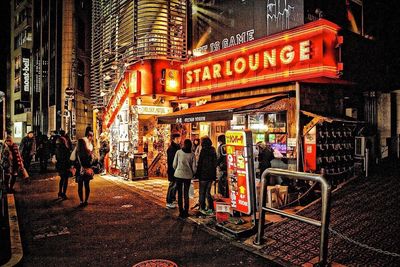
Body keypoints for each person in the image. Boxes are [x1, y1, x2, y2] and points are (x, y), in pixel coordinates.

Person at [173, 139, 196, 218]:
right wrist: (192, 173)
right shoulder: (192, 154)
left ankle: (180, 211)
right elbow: (194, 168)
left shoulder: (178, 152)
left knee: (179, 194)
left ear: (184, 144)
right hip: (187, 176)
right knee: (186, 194)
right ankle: (186, 212)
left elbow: (174, 164)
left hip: (178, 175)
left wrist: (178, 170)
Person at [71, 134, 94, 207]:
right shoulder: (88, 152)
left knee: (80, 187)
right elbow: (91, 162)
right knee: (87, 186)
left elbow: (73, 161)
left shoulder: (77, 153)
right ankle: (86, 200)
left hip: (79, 171)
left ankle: (81, 201)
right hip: (87, 171)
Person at [196, 136, 217, 215]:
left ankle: (202, 207)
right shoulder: (213, 150)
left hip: (203, 175)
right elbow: (215, 163)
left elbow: (200, 163)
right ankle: (211, 208)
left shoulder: (203, 150)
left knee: (202, 192)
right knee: (208, 192)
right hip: (211, 175)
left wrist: (197, 173)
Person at [55, 130, 73, 199]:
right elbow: (68, 158)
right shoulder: (65, 149)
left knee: (62, 179)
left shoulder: (57, 149)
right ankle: (63, 193)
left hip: (59, 165)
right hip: (65, 165)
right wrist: (70, 165)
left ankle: (60, 192)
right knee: (65, 180)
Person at [166, 133, 181, 209]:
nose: (179, 140)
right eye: (177, 139)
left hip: (177, 170)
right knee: (172, 185)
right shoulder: (171, 149)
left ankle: (173, 199)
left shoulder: (178, 147)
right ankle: (169, 201)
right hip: (172, 170)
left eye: (179, 138)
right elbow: (171, 161)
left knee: (175, 186)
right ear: (173, 139)